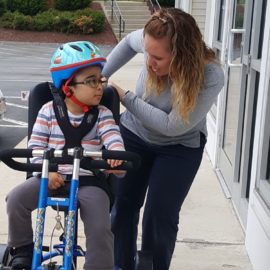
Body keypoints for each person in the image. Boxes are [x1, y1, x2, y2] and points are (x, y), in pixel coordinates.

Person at [102, 7, 225, 270]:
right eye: (147, 53)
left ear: (181, 56)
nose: (149, 62)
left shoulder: (211, 75)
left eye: (157, 57)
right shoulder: (153, 38)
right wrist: (101, 76)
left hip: (178, 148)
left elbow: (172, 126)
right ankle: (120, 266)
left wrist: (125, 96)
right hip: (134, 134)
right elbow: (126, 43)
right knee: (122, 208)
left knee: (159, 217)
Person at [6, 41, 125, 270]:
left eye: (100, 80)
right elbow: (36, 148)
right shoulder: (48, 111)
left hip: (89, 181)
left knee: (100, 227)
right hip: (50, 177)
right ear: (68, 86)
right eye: (91, 81)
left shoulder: (103, 114)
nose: (100, 86)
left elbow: (113, 140)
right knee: (15, 200)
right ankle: (22, 249)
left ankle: (99, 266)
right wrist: (46, 171)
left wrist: (115, 157)